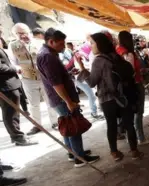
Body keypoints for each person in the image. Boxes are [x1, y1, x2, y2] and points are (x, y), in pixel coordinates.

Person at [36, 28, 100, 168]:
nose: (63, 47)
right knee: (72, 126)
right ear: (51, 41)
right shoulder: (48, 57)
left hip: (58, 98)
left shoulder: (47, 54)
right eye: (61, 44)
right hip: (61, 99)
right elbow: (57, 84)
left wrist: (68, 72)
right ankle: (80, 157)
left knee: (66, 124)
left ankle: (73, 153)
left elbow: (57, 78)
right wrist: (69, 102)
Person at [78, 32, 144, 161]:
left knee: (112, 125)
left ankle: (115, 152)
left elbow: (92, 82)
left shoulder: (99, 60)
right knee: (129, 124)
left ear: (100, 44)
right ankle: (134, 150)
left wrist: (82, 68)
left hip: (107, 99)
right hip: (123, 97)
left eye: (92, 43)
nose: (90, 46)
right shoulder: (116, 56)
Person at [8, 23, 58, 134]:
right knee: (33, 104)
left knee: (50, 100)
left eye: (24, 32)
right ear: (15, 35)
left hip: (43, 77)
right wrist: (17, 68)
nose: (22, 35)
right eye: (19, 33)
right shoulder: (12, 46)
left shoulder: (39, 42)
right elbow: (12, 62)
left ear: (29, 32)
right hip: (27, 78)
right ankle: (37, 125)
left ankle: (55, 122)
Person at [117, 31, 149, 145]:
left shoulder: (117, 51)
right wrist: (140, 72)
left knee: (129, 113)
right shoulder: (128, 54)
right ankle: (140, 138)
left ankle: (132, 137)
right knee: (138, 112)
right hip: (135, 85)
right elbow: (131, 72)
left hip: (124, 87)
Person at [0, 46, 37, 146]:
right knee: (10, 113)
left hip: (10, 83)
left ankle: (17, 135)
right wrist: (15, 68)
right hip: (4, 85)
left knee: (14, 112)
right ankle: (17, 137)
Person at [60, 42, 103, 119]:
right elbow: (79, 67)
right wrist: (84, 68)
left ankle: (95, 111)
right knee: (92, 95)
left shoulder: (85, 55)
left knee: (92, 95)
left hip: (84, 78)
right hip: (81, 79)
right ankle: (94, 113)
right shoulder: (79, 55)